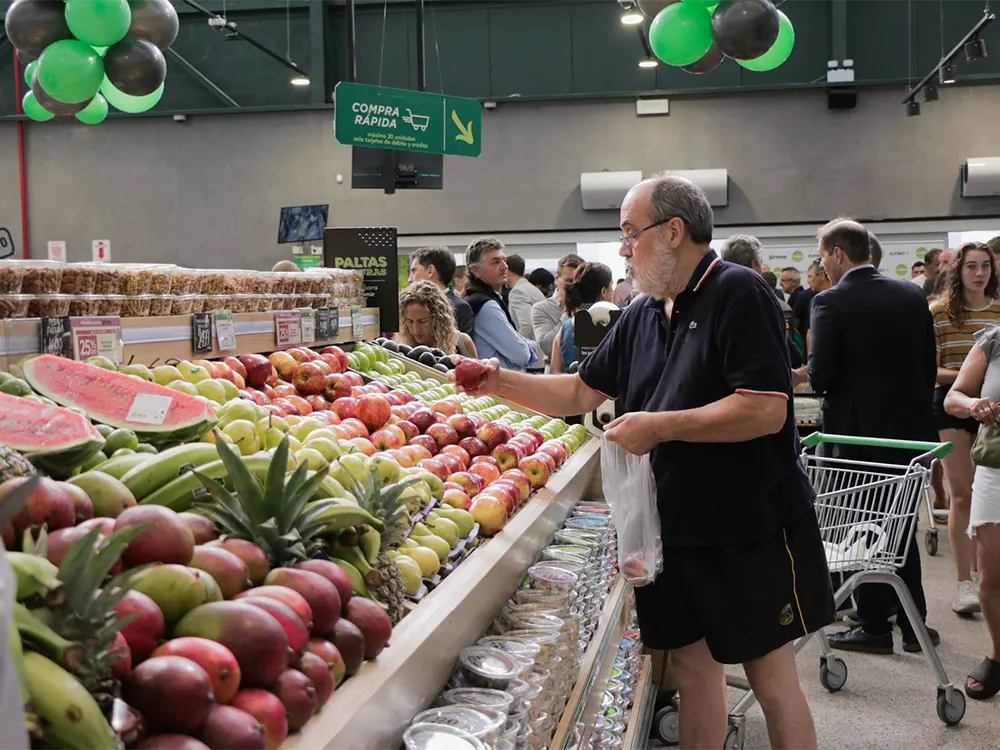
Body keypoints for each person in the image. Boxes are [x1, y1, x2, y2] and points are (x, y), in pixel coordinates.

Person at [456, 175, 834, 750]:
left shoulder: (739, 293)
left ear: (674, 231)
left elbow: (763, 411)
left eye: (631, 233)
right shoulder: (642, 314)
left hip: (747, 526)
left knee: (771, 678)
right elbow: (581, 392)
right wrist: (498, 379)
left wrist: (658, 426)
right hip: (670, 528)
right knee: (690, 671)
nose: (624, 248)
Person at [795, 218, 939, 655]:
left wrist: (795, 375)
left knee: (862, 528)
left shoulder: (831, 302)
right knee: (897, 529)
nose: (822, 264)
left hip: (857, 435)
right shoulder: (912, 294)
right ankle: (913, 624)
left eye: (822, 256)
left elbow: (822, 376)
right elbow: (927, 364)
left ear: (839, 253)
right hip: (910, 433)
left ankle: (876, 624)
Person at [930, 242, 1000, 615]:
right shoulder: (939, 312)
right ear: (958, 271)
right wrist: (970, 378)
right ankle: (963, 582)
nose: (979, 273)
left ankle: (983, 570)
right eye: (971, 266)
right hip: (953, 405)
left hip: (996, 408)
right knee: (962, 491)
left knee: (989, 491)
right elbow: (929, 367)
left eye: (985, 265)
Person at [944, 323, 1000, 700]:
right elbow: (954, 397)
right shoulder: (994, 340)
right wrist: (974, 405)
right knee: (990, 579)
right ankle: (999, 654)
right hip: (996, 469)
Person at [722, 235, 804, 367]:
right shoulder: (761, 299)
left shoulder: (713, 297)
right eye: (760, 262)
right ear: (755, 265)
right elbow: (792, 356)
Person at [463, 237, 538, 371]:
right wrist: (531, 346)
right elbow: (521, 355)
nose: (505, 267)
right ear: (476, 270)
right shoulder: (486, 306)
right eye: (496, 262)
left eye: (504, 260)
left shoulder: (480, 299)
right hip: (500, 386)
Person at [549, 262, 614, 375]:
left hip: (571, 390)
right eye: (611, 286)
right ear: (603, 291)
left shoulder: (565, 328)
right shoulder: (618, 323)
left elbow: (555, 372)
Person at [409, 247, 475, 339]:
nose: (410, 279)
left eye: (413, 271)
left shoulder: (459, 308)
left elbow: (460, 349)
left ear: (430, 271)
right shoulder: (410, 306)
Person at [397, 281, 476, 357]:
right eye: (410, 321)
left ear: (438, 319)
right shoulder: (400, 348)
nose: (416, 330)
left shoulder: (462, 343)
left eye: (423, 321)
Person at [531, 253, 583, 363]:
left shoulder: (589, 305)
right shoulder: (541, 308)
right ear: (557, 278)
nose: (574, 287)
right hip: (557, 374)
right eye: (569, 281)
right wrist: (568, 310)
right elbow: (548, 348)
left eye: (578, 282)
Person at [505, 254, 546, 341]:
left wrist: (519, 347)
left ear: (507, 271)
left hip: (532, 349)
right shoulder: (531, 289)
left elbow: (527, 325)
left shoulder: (517, 292)